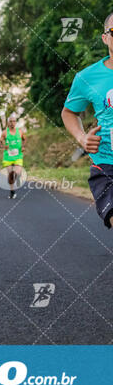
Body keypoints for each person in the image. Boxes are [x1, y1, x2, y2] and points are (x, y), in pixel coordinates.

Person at [62, 12, 113, 230]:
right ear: (105, 38)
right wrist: (82, 138)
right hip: (106, 162)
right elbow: (69, 112)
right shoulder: (87, 77)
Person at [0, 115, 26, 199]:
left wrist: (23, 146)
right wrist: (3, 146)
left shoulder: (20, 131)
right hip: (8, 157)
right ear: (8, 122)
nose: (12, 123)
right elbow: (0, 143)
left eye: (14, 121)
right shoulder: (5, 132)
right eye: (10, 121)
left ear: (16, 122)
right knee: (11, 174)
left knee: (17, 172)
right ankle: (12, 191)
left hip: (18, 156)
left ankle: (18, 177)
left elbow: (24, 139)